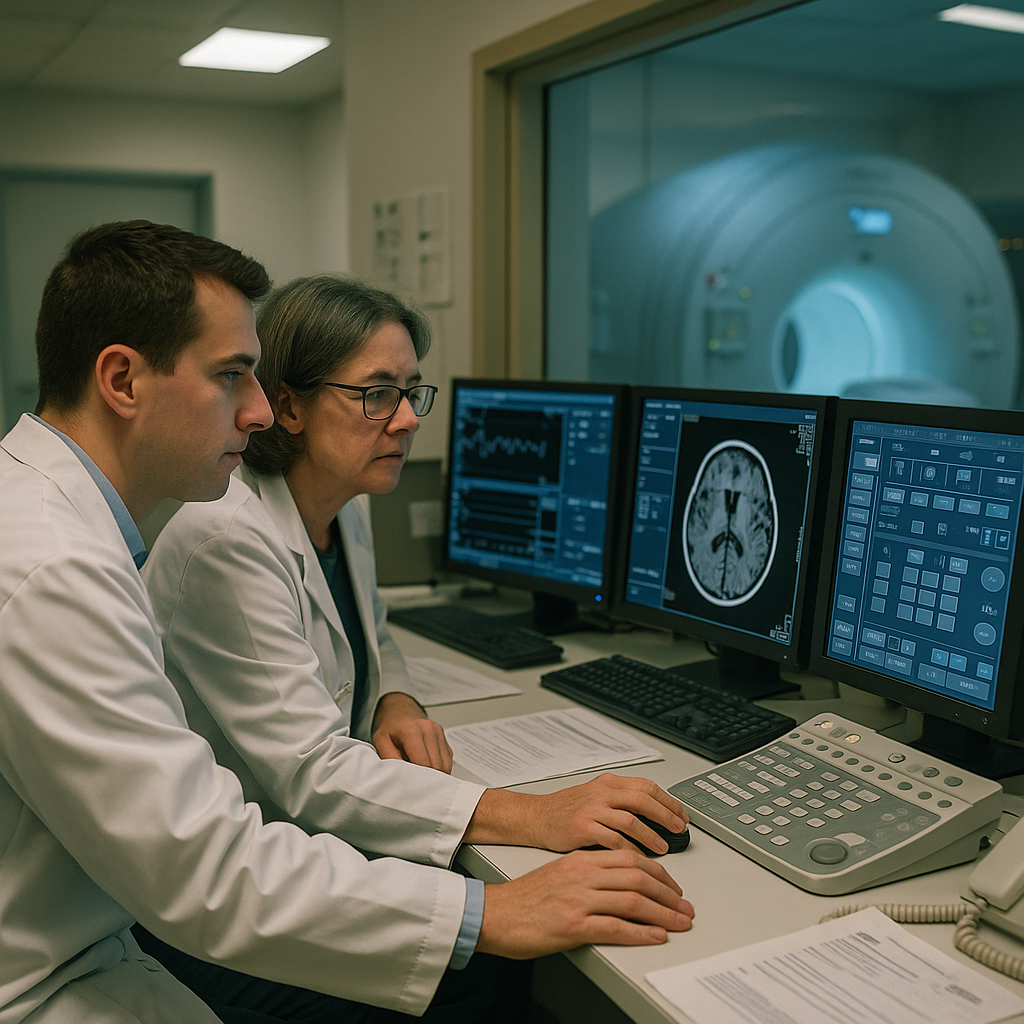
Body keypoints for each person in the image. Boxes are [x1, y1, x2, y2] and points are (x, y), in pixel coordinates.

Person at [0, 222, 694, 1024]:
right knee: (484, 978)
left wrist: (394, 693)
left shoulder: (61, 525)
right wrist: (494, 908)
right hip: (64, 967)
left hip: (112, 916)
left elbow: (370, 632)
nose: (258, 410)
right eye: (232, 376)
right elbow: (207, 868)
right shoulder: (63, 569)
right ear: (122, 379)